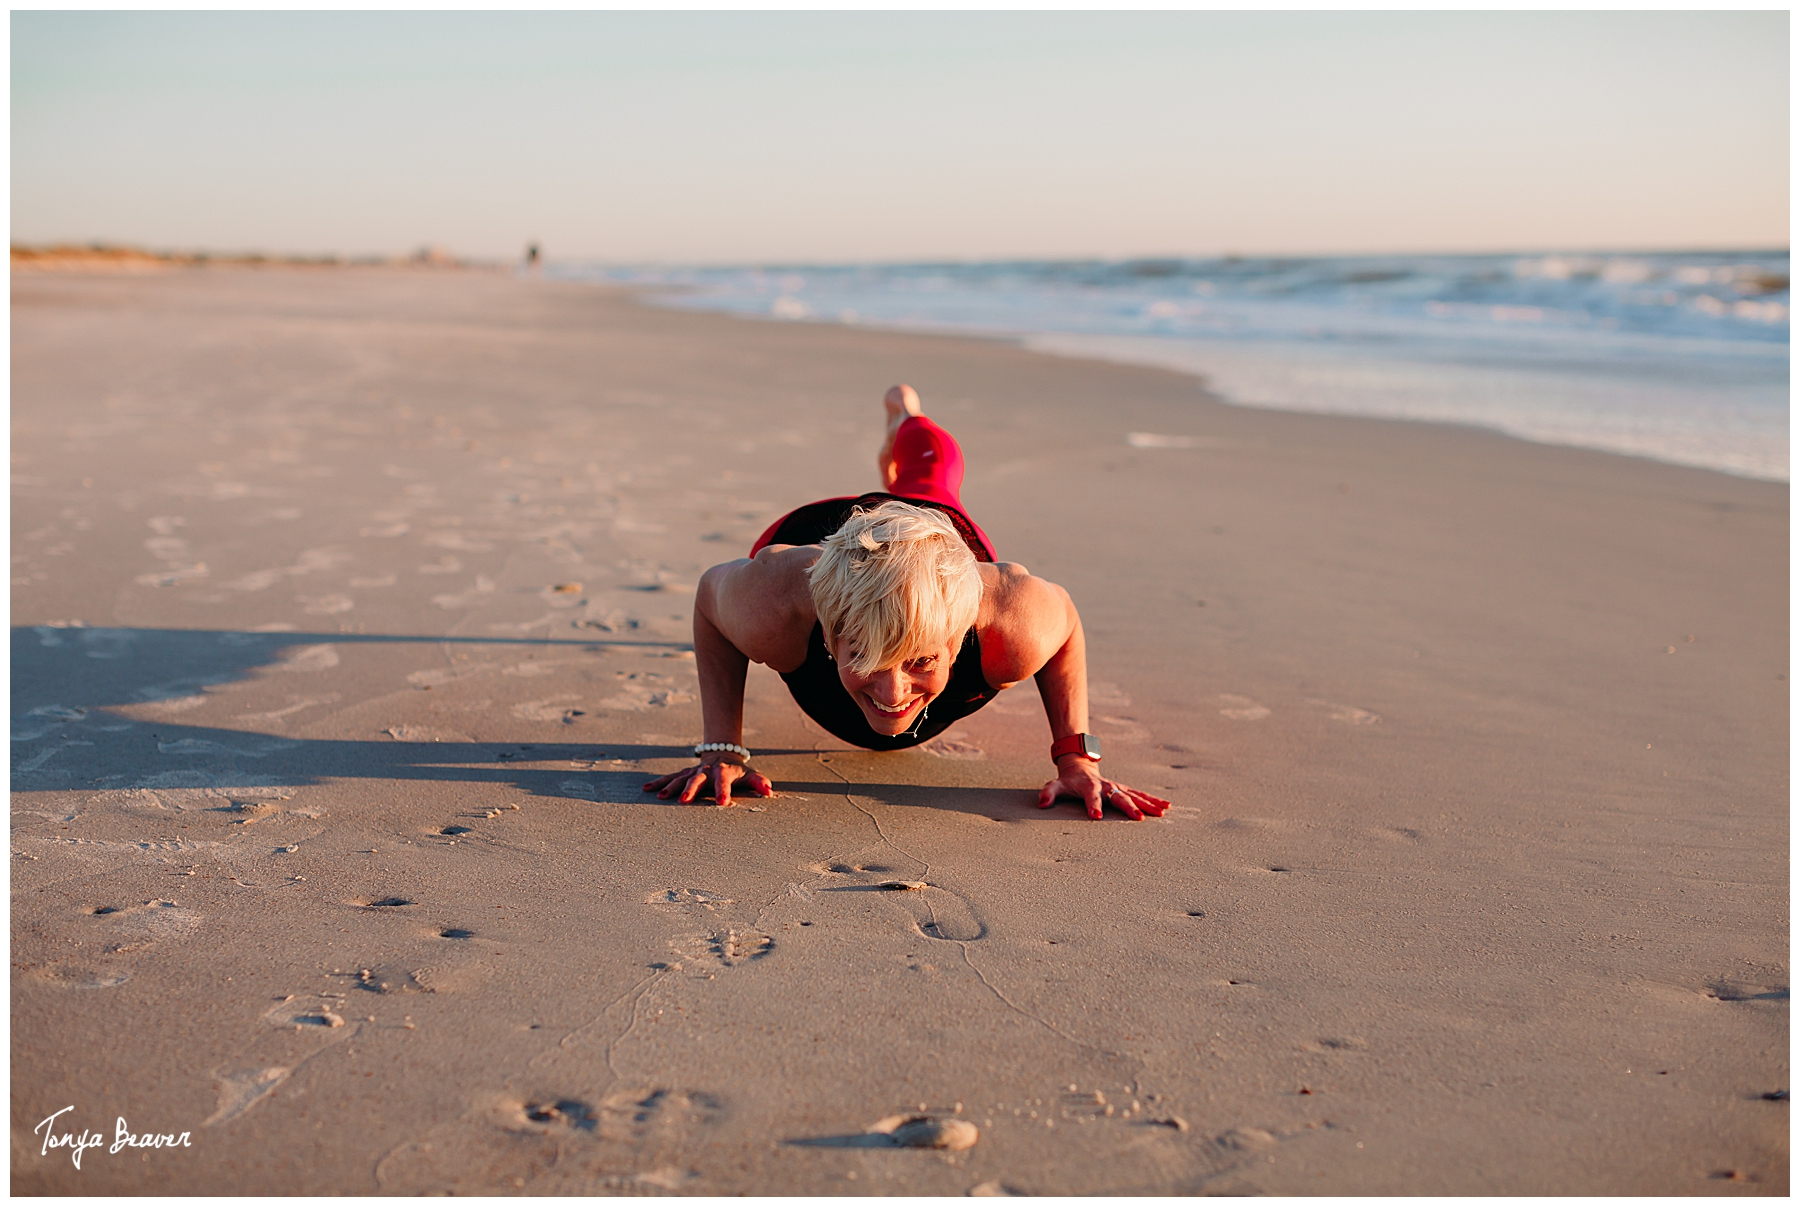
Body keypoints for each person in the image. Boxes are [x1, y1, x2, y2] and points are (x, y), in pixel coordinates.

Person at [643, 385, 1171, 821]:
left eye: (921, 660)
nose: (893, 692)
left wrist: (1076, 757)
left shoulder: (1011, 621)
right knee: (760, 590)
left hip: (937, 544)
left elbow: (1068, 623)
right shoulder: (777, 607)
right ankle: (898, 435)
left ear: (957, 637)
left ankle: (905, 417)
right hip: (820, 538)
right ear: (828, 637)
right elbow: (711, 600)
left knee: (931, 471)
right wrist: (722, 749)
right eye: (865, 658)